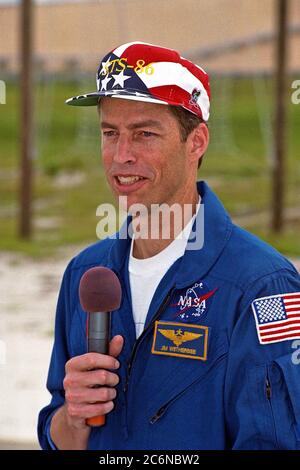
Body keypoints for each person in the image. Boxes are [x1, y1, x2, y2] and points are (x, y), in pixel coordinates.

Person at [38, 41, 300, 450]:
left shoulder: (262, 285)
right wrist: (73, 418)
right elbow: (58, 434)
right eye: (110, 133)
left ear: (196, 142)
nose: (121, 156)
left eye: (144, 133)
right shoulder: (86, 275)